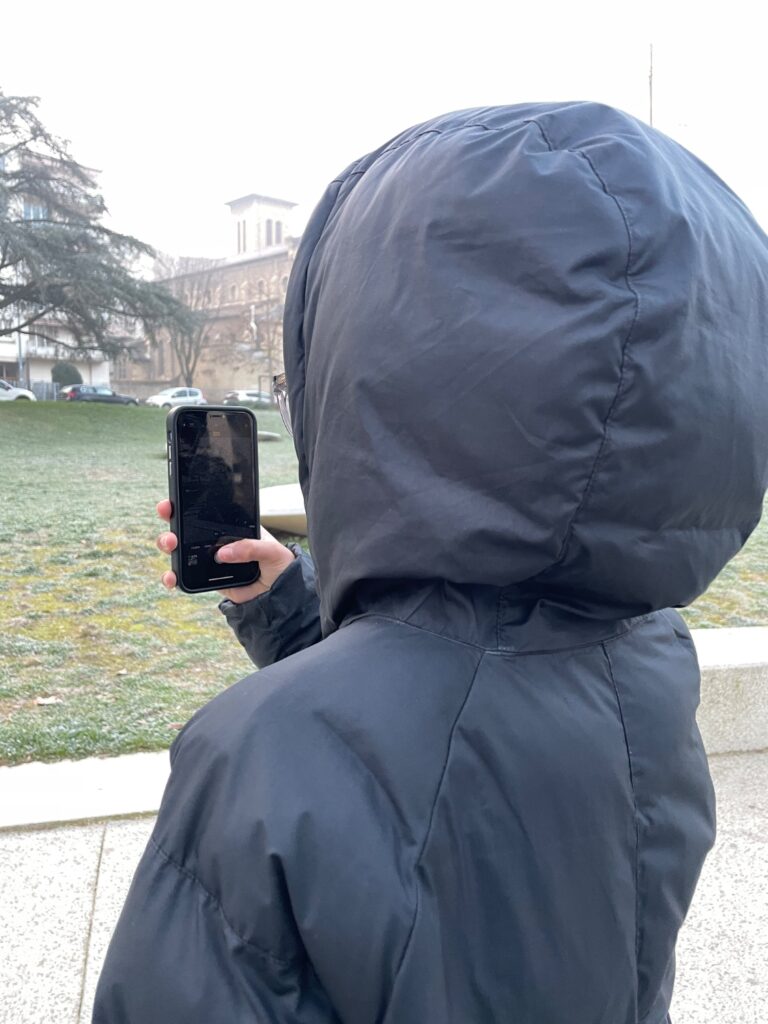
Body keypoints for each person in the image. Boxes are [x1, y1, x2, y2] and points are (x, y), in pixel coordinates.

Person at [93, 102, 768, 1023]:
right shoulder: (652, 660)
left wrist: (317, 676)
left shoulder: (261, 752)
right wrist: (296, 610)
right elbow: (451, 775)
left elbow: (400, 775)